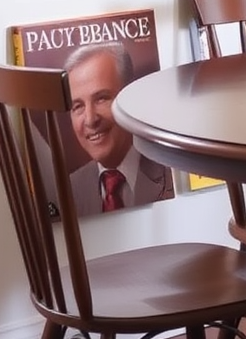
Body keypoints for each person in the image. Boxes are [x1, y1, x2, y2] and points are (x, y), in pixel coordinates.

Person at [63, 41, 174, 217]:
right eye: (78, 106)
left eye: (101, 99)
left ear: (131, 97)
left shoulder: (171, 169)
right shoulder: (67, 190)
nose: (90, 120)